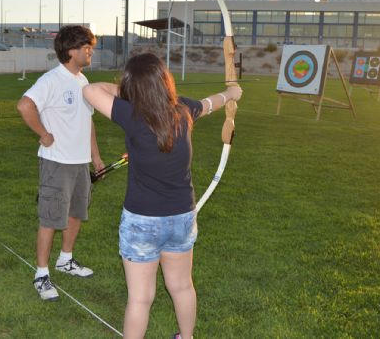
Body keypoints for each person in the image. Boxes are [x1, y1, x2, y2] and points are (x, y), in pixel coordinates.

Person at [82, 53, 243, 339]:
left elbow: (90, 90)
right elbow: (210, 104)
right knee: (181, 286)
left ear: (135, 88)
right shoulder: (183, 109)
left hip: (142, 219)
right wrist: (231, 93)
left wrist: (131, 93)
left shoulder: (131, 115)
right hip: (181, 216)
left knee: (140, 298)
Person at [17, 25, 104, 301]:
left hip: (79, 163)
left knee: (76, 212)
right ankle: (41, 274)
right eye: (86, 47)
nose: (90, 51)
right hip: (57, 163)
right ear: (71, 51)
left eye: (91, 46)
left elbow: (87, 120)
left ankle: (65, 260)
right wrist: (44, 134)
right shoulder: (52, 80)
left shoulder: (82, 80)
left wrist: (96, 156)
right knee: (51, 217)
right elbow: (24, 105)